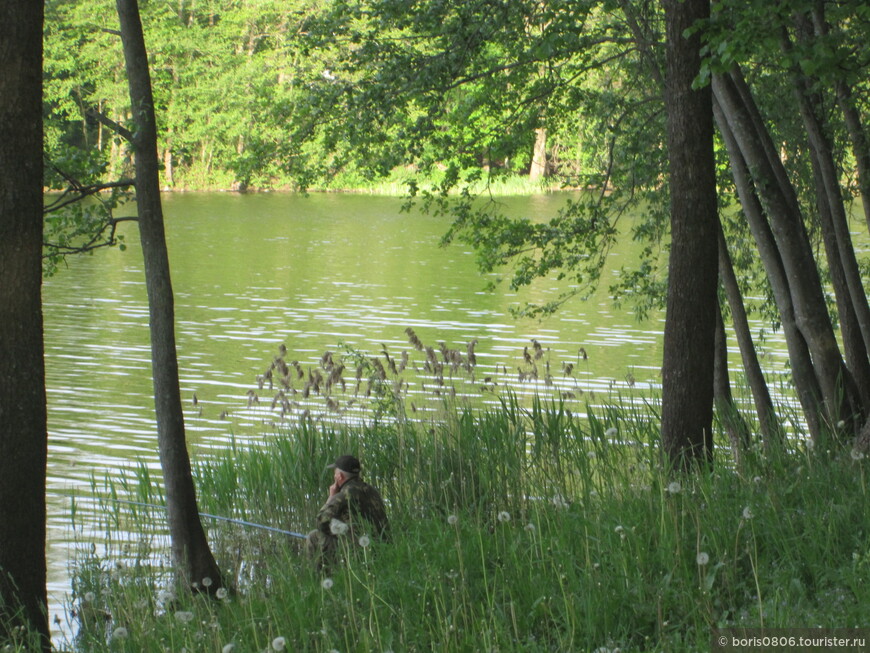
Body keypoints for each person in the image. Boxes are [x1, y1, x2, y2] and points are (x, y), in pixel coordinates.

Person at [306, 454, 389, 568]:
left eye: (335, 473)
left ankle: (322, 577)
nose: (334, 475)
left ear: (340, 476)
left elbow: (321, 522)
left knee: (314, 536)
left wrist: (331, 497)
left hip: (359, 549)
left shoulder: (344, 494)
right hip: (382, 545)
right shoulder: (371, 490)